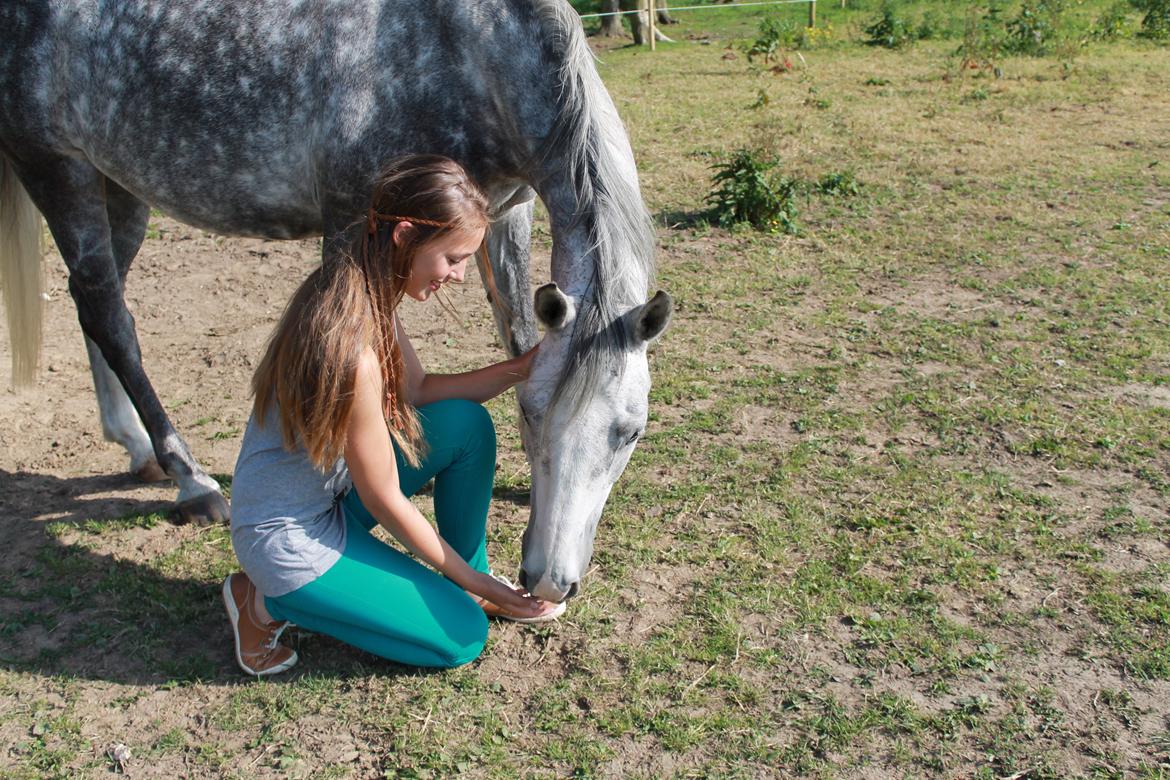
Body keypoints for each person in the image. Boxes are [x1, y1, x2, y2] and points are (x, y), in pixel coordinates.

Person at [222, 154, 562, 677]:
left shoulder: (363, 286)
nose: (459, 275)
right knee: (461, 639)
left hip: (328, 494)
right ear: (405, 235)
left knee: (465, 427)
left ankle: (464, 580)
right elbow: (384, 500)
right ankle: (264, 602)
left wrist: (524, 367)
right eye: (452, 258)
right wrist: (488, 590)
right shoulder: (350, 346)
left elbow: (420, 391)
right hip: (289, 537)